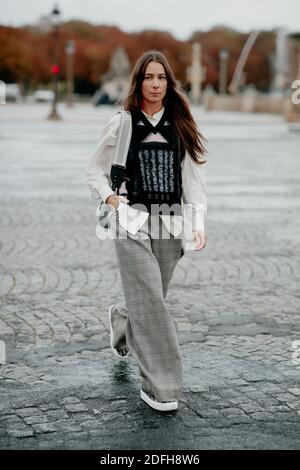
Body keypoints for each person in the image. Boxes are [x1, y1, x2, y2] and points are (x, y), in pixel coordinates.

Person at [86, 50, 207, 412]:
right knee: (152, 302)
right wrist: (111, 199)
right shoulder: (122, 123)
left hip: (170, 221)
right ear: (137, 81)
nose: (155, 85)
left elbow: (194, 180)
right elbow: (94, 170)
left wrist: (197, 223)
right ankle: (162, 387)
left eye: (161, 78)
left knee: (152, 296)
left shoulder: (182, 124)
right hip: (131, 221)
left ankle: (122, 320)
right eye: (148, 78)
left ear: (169, 83)